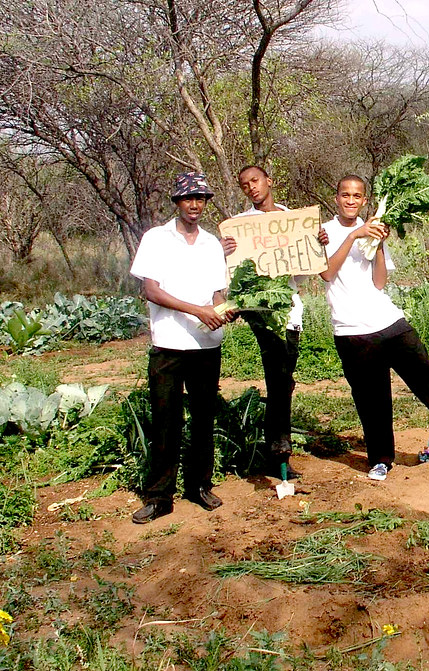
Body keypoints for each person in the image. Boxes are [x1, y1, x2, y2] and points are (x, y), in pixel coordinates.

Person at [320, 175, 429, 481]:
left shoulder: (373, 228)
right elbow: (326, 273)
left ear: (364, 201)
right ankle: (380, 459)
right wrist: (353, 237)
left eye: (356, 196)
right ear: (336, 198)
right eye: (345, 194)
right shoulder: (324, 233)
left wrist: (379, 244)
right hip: (351, 330)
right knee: (372, 398)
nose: (350, 200)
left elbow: (380, 282)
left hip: (388, 321)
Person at [128, 172, 232, 524]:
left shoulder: (211, 243)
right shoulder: (156, 239)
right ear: (176, 202)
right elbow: (151, 291)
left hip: (206, 344)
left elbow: (218, 294)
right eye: (189, 198)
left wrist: (222, 311)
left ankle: (199, 485)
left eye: (201, 198)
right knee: (166, 420)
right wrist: (197, 310)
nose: (195, 204)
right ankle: (159, 496)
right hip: (169, 344)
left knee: (203, 418)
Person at [223, 165, 328, 479]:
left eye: (255, 181)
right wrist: (224, 251)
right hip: (259, 309)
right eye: (244, 185)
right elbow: (233, 271)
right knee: (278, 370)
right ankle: (279, 447)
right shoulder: (240, 226)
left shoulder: (293, 220)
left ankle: (276, 443)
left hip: (289, 307)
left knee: (283, 376)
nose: (251, 188)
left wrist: (317, 242)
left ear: (269, 180)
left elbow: (304, 267)